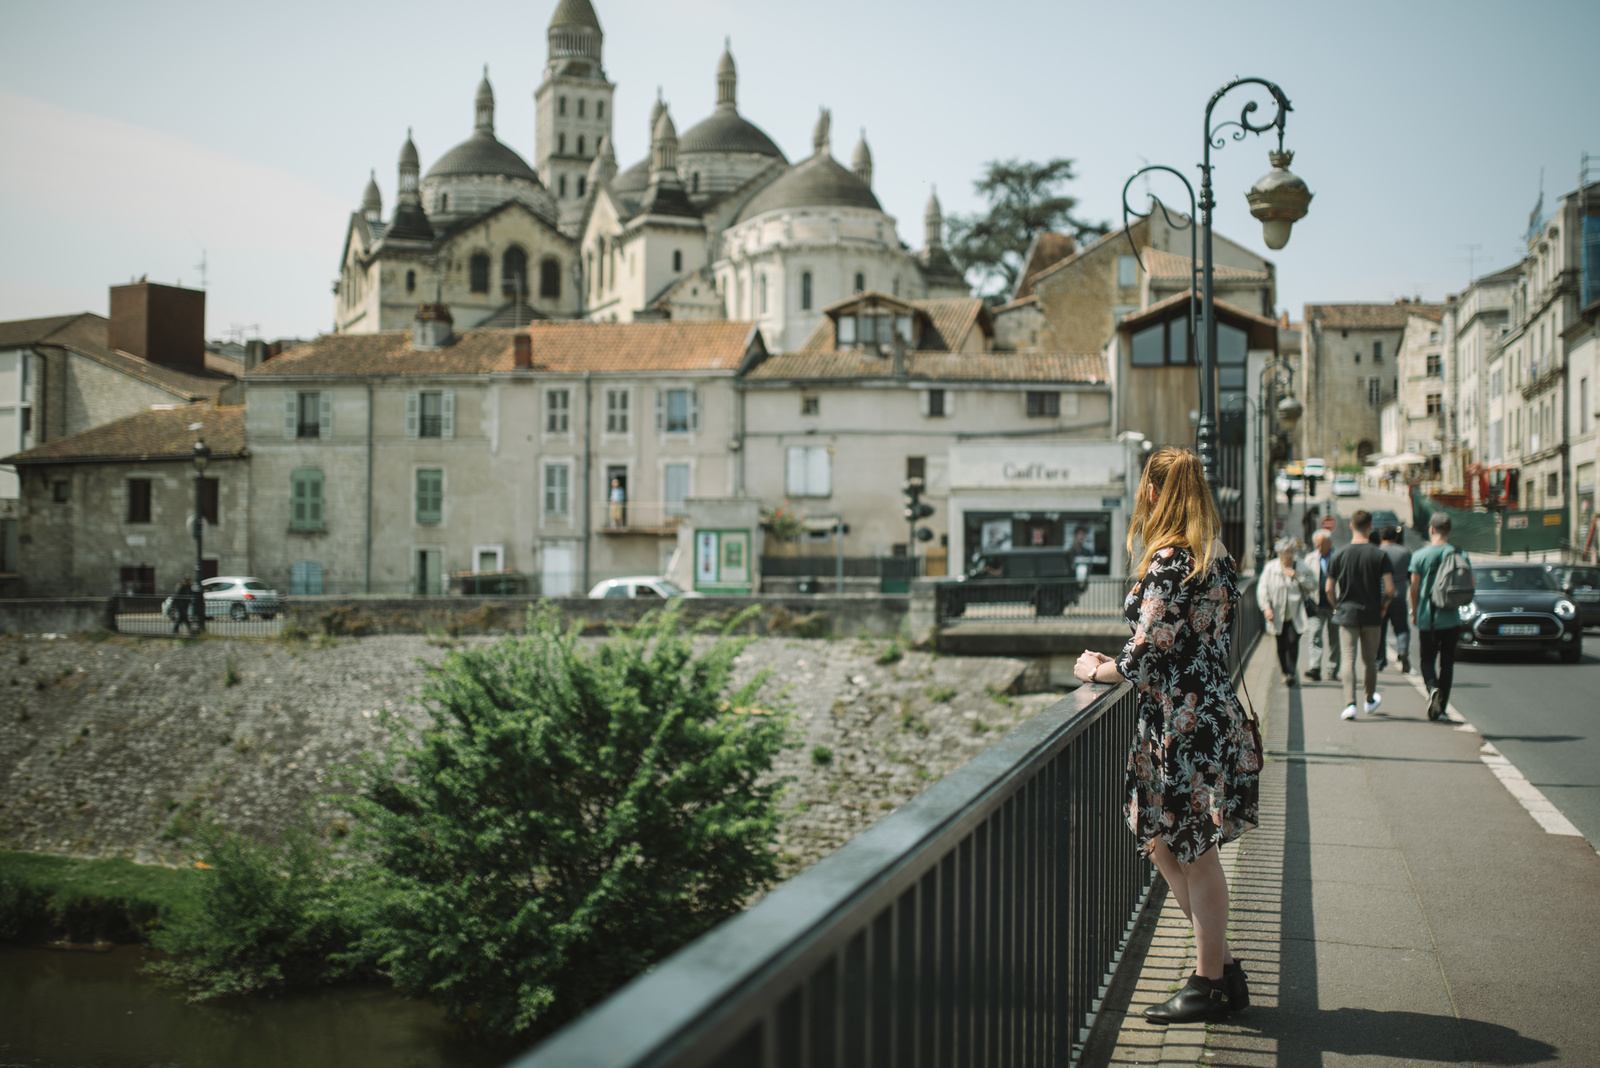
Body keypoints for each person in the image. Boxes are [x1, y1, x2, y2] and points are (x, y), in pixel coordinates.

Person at [1074, 447, 1260, 1023]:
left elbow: (1150, 650)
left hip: (1182, 725)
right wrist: (1132, 657)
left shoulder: (1170, 560)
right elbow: (1175, 641)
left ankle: (1210, 984)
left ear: (1153, 493)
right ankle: (1222, 969)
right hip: (1205, 714)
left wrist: (1098, 670)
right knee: (1165, 843)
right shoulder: (1217, 557)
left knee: (1193, 852)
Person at [1326, 509, 1395, 721]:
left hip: (1347, 614)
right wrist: (1384, 606)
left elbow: (1329, 588)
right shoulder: (1379, 554)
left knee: (1348, 658)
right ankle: (1369, 700)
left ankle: (1350, 704)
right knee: (1370, 660)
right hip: (1372, 614)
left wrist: (1337, 606)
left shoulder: (1339, 554)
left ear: (1350, 526)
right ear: (1370, 526)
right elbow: (1390, 589)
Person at [1410, 512, 1469, 721]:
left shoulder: (1420, 556)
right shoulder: (1459, 553)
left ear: (1431, 529)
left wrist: (1415, 611)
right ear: (1449, 530)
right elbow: (1470, 585)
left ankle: (1432, 688)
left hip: (1428, 617)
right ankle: (1442, 708)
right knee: (1447, 664)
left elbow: (1414, 587)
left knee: (1427, 660)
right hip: (1451, 618)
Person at [1257, 536, 1316, 686]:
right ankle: (1284, 671)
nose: (1288, 555)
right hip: (1277, 613)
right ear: (1279, 553)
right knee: (1281, 644)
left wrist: (1297, 576)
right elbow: (1262, 589)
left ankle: (1291, 672)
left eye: (1291, 552)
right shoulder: (1271, 568)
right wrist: (1266, 608)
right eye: (1285, 552)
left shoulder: (1301, 566)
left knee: (1293, 642)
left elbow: (1313, 585)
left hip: (1296, 613)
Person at [1303, 529, 1340, 682]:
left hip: (1335, 604)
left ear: (1329, 543)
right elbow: (1305, 578)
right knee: (1315, 635)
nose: (1318, 548)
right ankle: (1315, 668)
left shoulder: (1338, 557)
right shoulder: (1310, 559)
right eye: (1316, 545)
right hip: (1316, 604)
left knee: (1334, 639)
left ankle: (1332, 669)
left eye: (1320, 545)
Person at [1376, 526, 1413, 673]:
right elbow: (1411, 575)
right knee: (1402, 628)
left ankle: (1380, 660)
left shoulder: (1377, 551)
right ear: (1396, 537)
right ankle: (1403, 651)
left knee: (1380, 629)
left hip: (1380, 595)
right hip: (1399, 595)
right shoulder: (1405, 552)